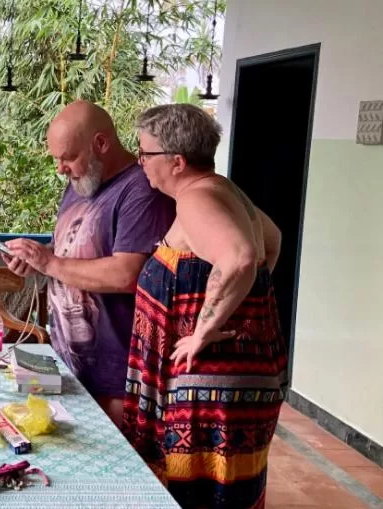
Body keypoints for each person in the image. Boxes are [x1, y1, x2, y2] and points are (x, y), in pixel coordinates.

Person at [122, 103, 286, 509]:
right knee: (229, 490)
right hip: (239, 378)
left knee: (197, 493)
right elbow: (272, 241)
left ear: (177, 161)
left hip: (209, 387)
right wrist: (243, 305)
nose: (140, 161)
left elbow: (241, 259)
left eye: (145, 153)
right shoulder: (226, 190)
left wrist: (204, 331)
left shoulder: (196, 199)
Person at [2, 100, 175, 425]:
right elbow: (71, 250)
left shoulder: (141, 191)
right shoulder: (83, 181)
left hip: (117, 382)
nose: (60, 168)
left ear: (101, 143)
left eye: (68, 157)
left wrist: (50, 262)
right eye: (57, 159)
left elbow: (128, 273)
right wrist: (34, 260)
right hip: (72, 367)